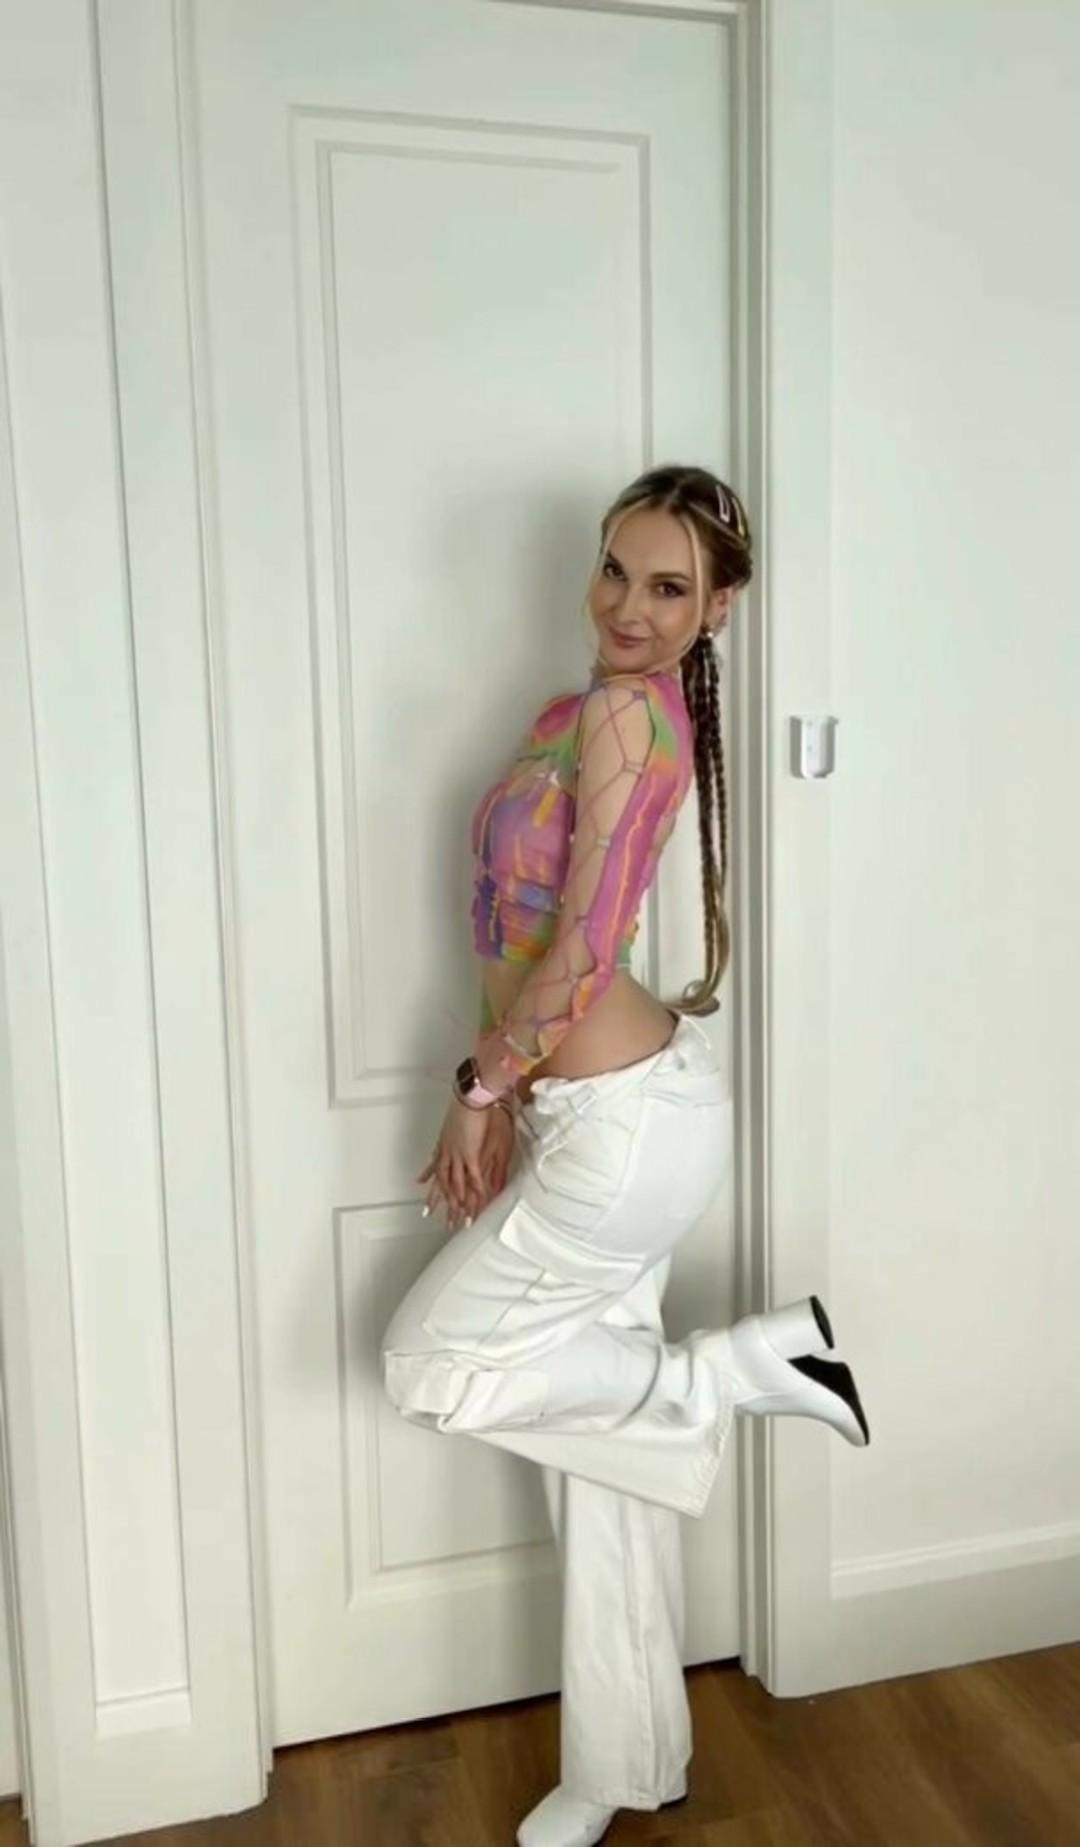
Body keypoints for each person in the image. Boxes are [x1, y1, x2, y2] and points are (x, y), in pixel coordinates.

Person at [379, 464, 869, 1847]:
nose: (629, 607)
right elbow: (531, 930)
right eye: (615, 570)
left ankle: (735, 1370)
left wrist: (481, 1082)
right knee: (603, 1465)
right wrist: (504, 1087)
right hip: (605, 1111)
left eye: (669, 587)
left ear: (721, 607)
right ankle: (625, 1762)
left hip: (621, 1130)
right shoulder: (591, 711)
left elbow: (589, 945)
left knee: (429, 1366)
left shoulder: (618, 718)